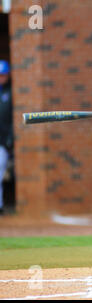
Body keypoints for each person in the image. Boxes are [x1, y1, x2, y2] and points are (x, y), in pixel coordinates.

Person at [0, 60, 12, 216]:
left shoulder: (11, 92)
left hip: (2, 142)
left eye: (3, 75)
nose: (1, 78)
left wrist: (10, 139)